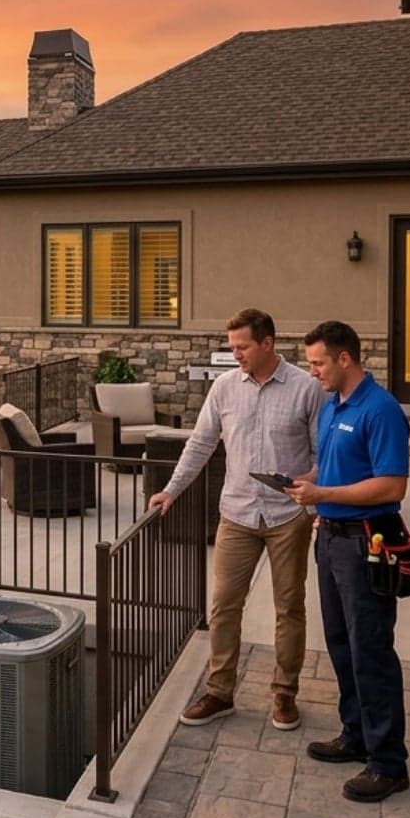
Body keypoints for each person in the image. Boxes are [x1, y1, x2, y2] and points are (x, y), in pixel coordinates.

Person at [148, 308, 322, 732]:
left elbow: (324, 454)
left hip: (288, 517)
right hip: (237, 514)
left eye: (242, 347)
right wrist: (171, 490)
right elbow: (200, 444)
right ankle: (219, 692)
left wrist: (313, 486)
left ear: (267, 343)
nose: (235, 354)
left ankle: (284, 693)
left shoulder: (306, 389)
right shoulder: (224, 387)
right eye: (232, 347)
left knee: (289, 608)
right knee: (224, 605)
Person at [286, 320, 410, 803]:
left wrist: (323, 495)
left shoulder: (381, 410)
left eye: (318, 363)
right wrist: (309, 481)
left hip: (366, 543)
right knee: (340, 643)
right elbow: (335, 468)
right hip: (331, 540)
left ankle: (388, 763)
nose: (312, 371)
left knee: (370, 649)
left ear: (344, 359)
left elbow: (391, 485)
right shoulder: (333, 406)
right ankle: (355, 733)